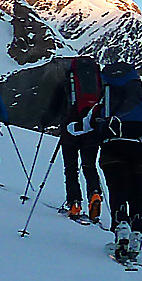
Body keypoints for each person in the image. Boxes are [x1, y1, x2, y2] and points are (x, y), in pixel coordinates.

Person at [95, 63, 142, 260]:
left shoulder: (106, 94)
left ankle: (121, 229)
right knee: (137, 192)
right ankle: (137, 233)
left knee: (117, 189)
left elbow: (90, 121)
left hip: (113, 145)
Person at [47, 56, 103, 222]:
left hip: (70, 131)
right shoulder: (98, 83)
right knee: (89, 166)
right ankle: (95, 195)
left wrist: (46, 121)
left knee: (71, 169)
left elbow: (54, 107)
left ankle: (74, 203)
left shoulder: (67, 82)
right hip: (91, 130)